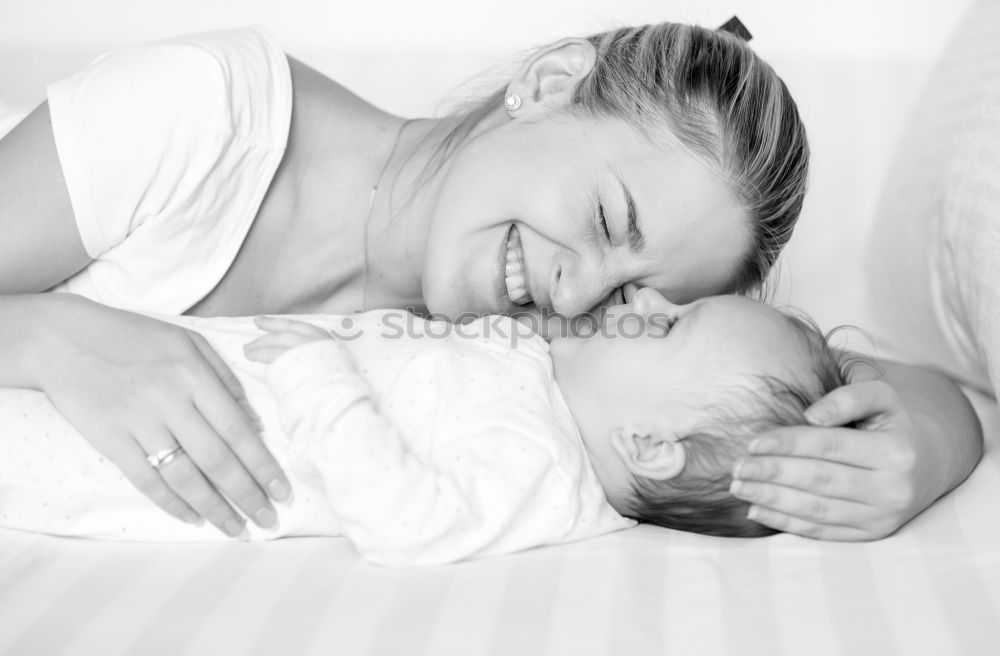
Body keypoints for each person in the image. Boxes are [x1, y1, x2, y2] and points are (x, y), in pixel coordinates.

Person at [0, 22, 981, 542]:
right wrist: (51, 334)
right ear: (548, 85)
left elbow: (859, 380)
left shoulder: (521, 345)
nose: (569, 294)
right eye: (605, 222)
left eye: (625, 298)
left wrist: (925, 449)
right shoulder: (195, 118)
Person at [0, 289, 848, 566]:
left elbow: (407, 522)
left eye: (669, 326)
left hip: (148, 454)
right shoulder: (542, 371)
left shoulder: (538, 465)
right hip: (148, 368)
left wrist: (320, 380)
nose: (647, 299)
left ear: (650, 446)